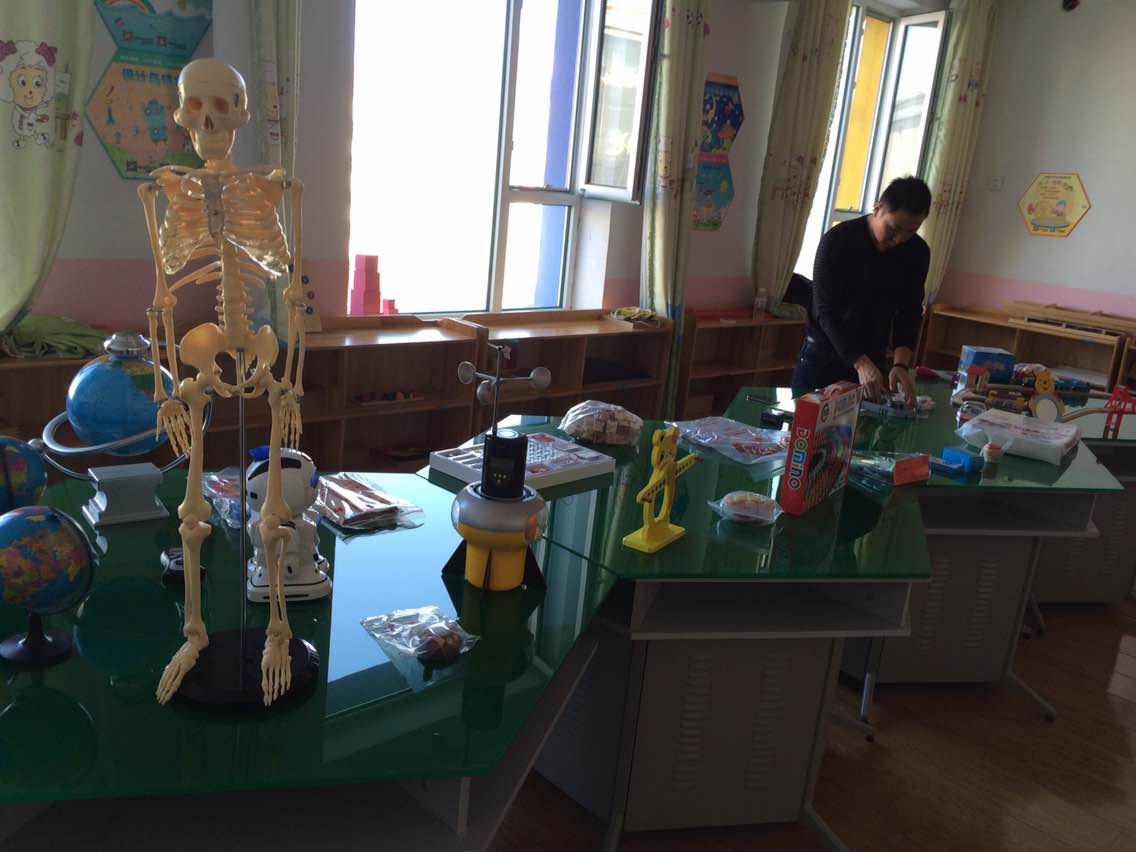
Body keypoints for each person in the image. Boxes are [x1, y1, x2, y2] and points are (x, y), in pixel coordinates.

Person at [791, 176, 931, 406]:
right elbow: (825, 312)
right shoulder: (837, 241)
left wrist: (900, 365)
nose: (900, 239)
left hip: (872, 359)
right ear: (877, 209)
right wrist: (860, 363)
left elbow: (910, 311)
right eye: (894, 229)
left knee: (865, 425)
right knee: (806, 421)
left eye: (911, 232)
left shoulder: (917, 252)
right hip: (824, 356)